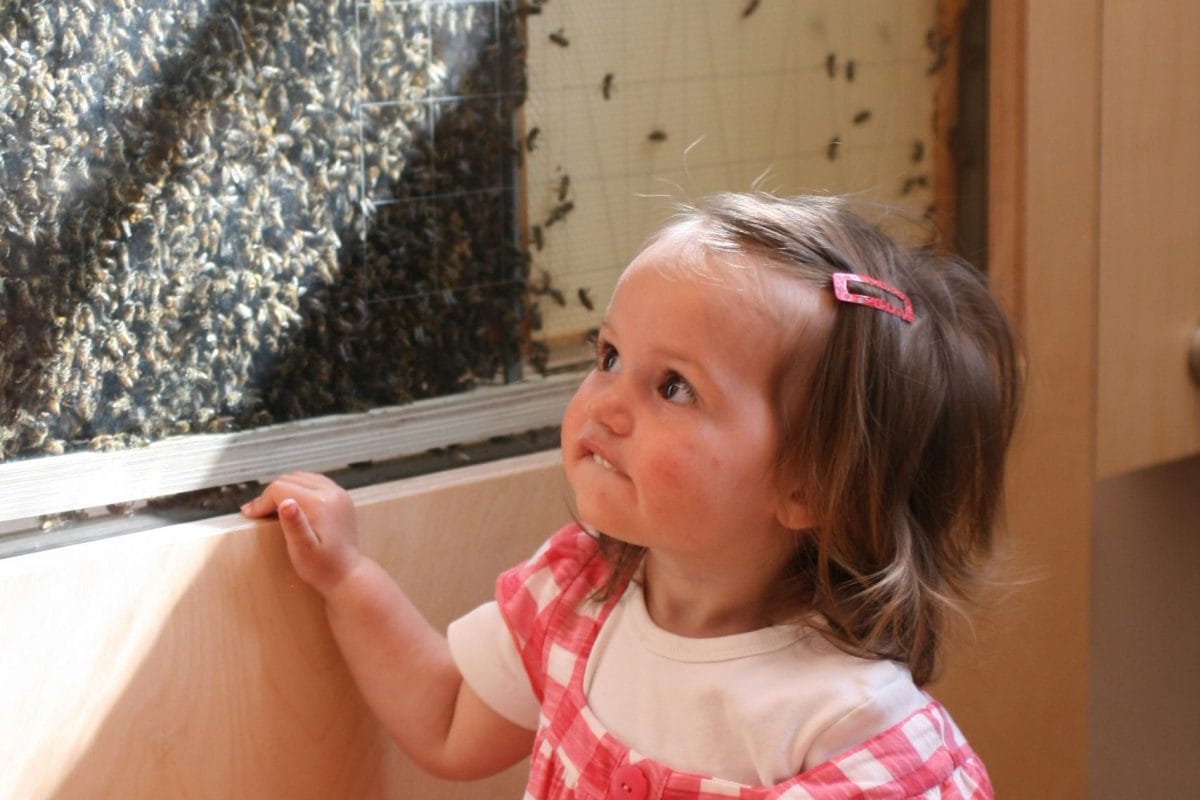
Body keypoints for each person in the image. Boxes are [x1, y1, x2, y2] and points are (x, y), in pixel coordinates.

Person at [243, 192, 1021, 798]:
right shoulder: (581, 596)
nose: (606, 403)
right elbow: (449, 721)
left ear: (811, 483)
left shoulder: (845, 724)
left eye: (674, 387)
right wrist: (347, 576)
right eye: (611, 355)